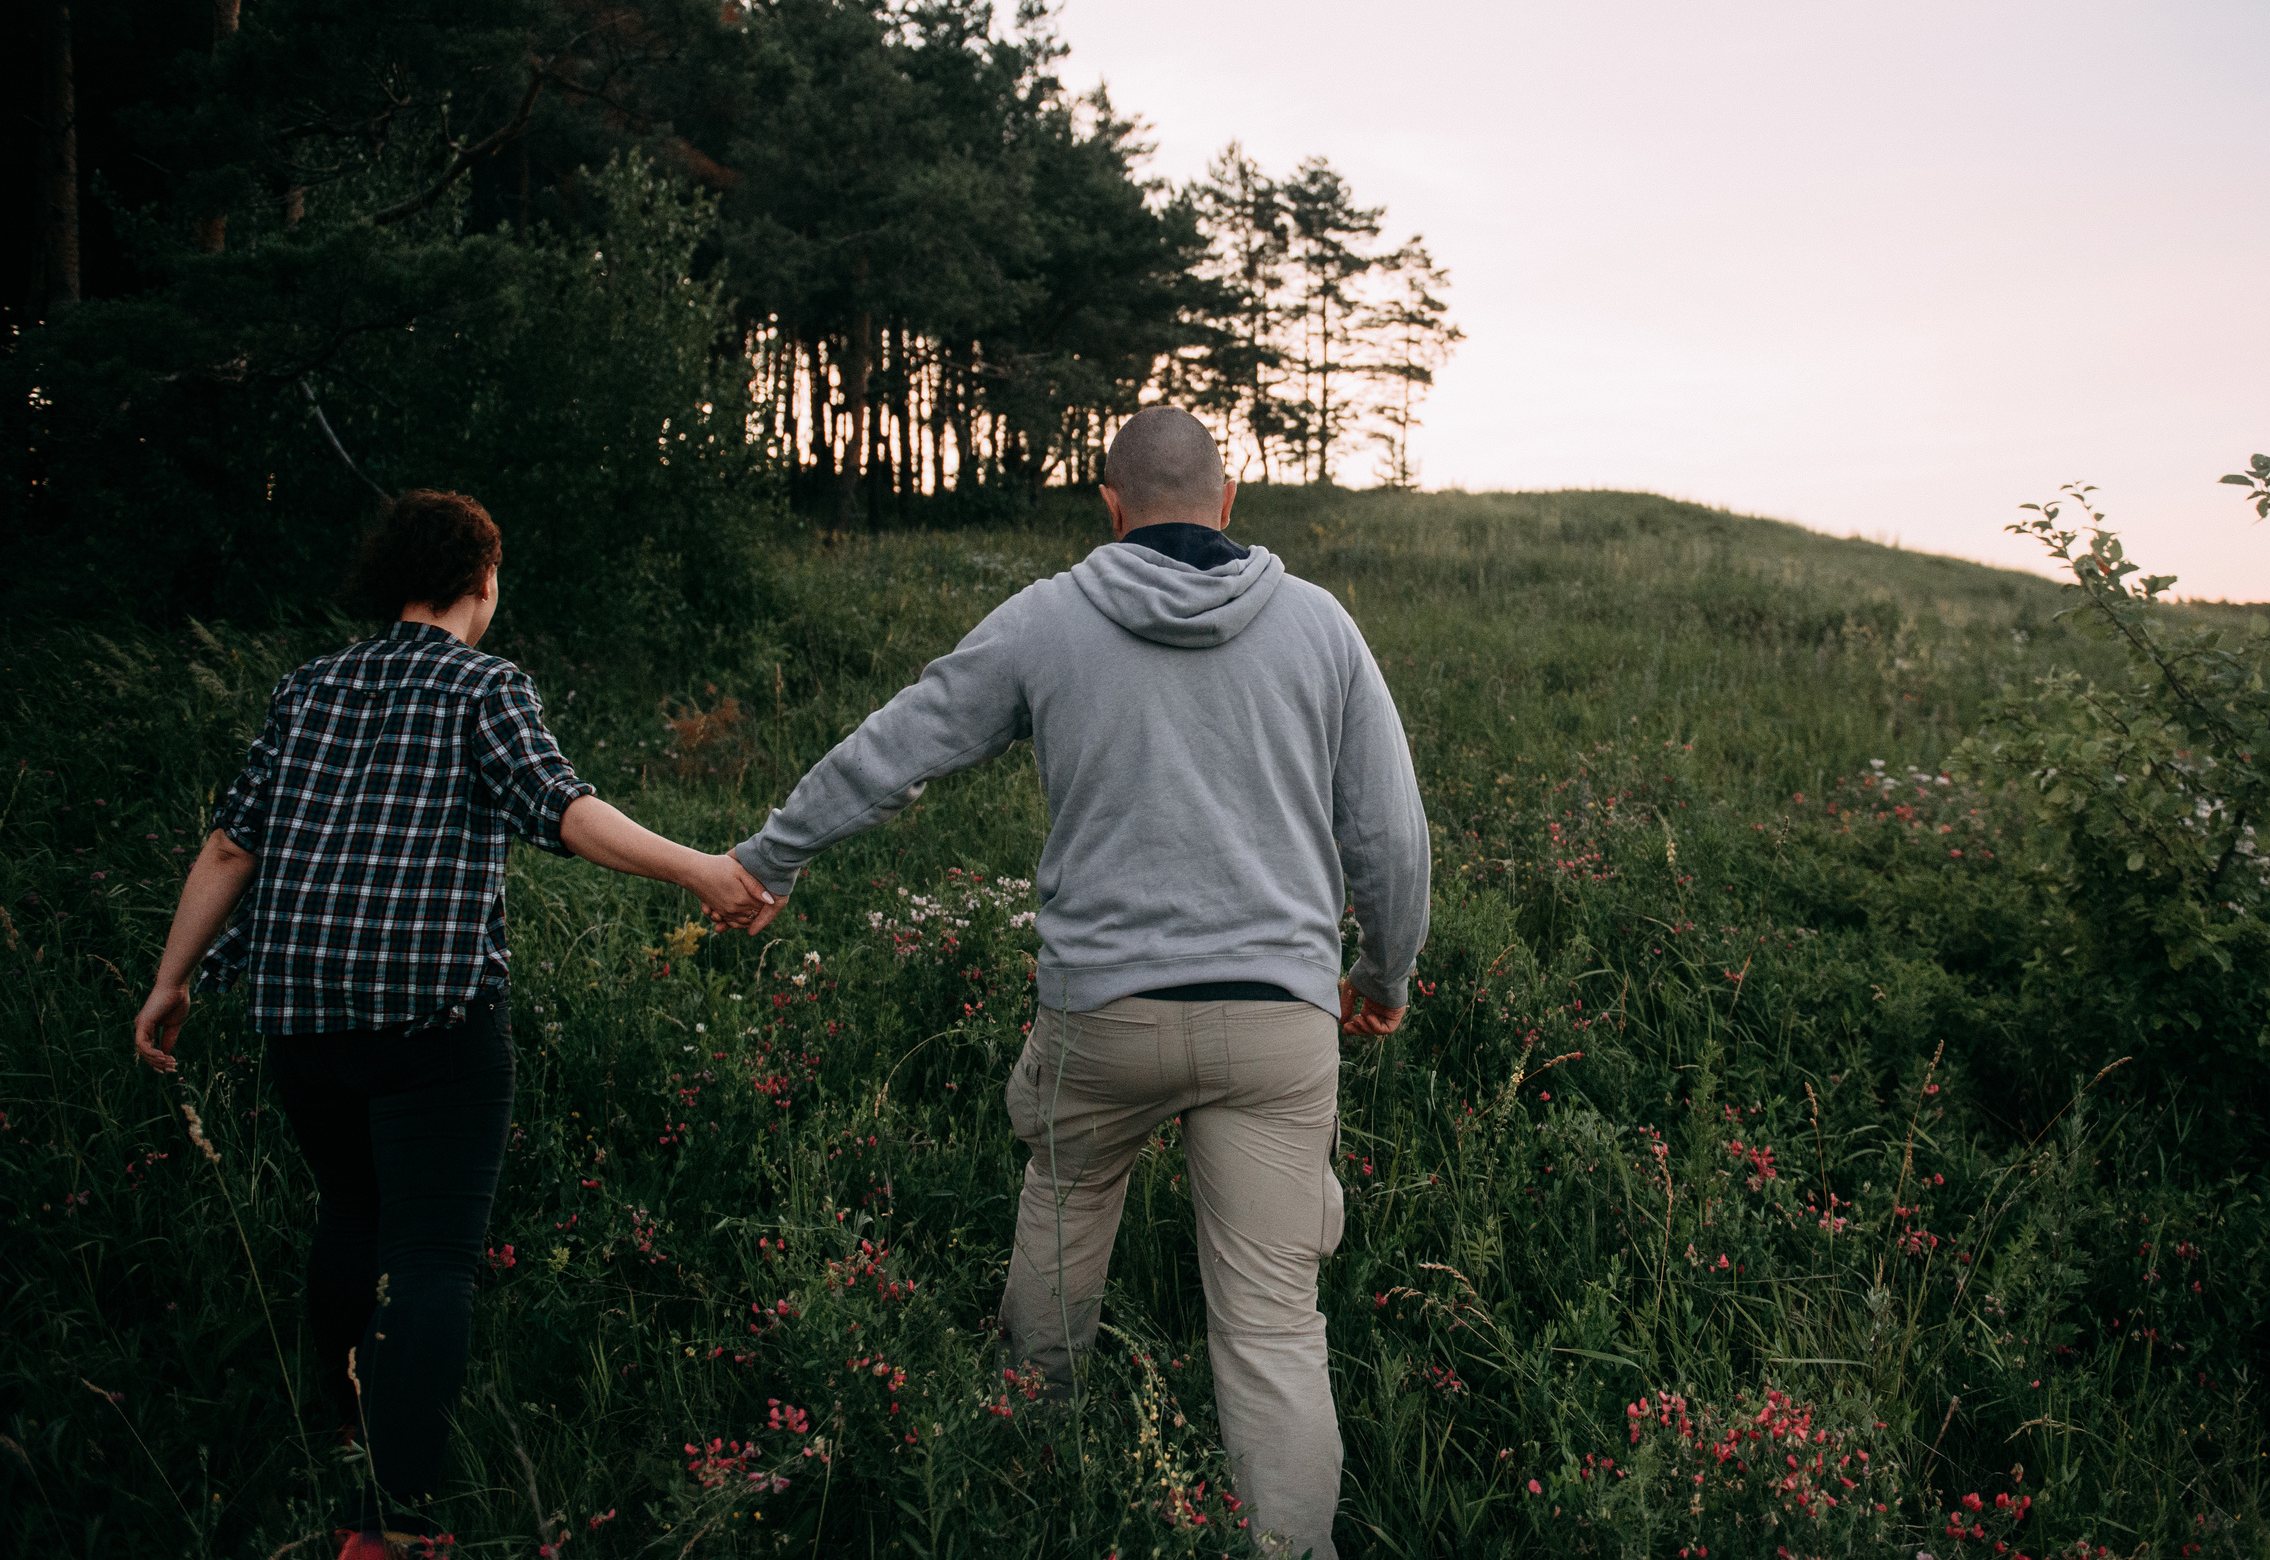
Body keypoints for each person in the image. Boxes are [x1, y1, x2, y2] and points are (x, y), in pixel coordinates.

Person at [729, 405, 1430, 1560]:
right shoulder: (1319, 628)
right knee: (1269, 1327)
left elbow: (894, 747)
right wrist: (1383, 971)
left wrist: (770, 856)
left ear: (1108, 506)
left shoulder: (1048, 619)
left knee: (1062, 1216)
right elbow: (1392, 838)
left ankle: (1031, 1475)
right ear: (1228, 499)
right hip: (1276, 1020)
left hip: (1102, 1015)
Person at [131, 489, 775, 1559]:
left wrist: (170, 978)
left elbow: (229, 846)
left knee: (350, 1208)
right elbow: (564, 809)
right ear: (482, 582)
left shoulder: (310, 686)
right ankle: (389, 1525)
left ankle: (341, 1423)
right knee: (432, 1255)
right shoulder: (485, 685)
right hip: (433, 1017)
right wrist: (702, 867)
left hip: (297, 1009)